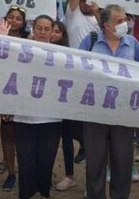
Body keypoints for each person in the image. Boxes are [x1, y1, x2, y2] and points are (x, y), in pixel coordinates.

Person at [79, 4, 139, 199]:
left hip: (124, 114)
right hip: (95, 112)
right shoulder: (90, 41)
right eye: (119, 21)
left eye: (125, 19)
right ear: (106, 25)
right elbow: (76, 68)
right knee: (95, 162)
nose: (125, 24)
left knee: (123, 161)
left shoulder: (132, 43)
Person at [11, 14, 62, 199]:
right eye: (39, 28)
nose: (42, 32)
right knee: (25, 161)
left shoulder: (62, 55)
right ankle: (25, 193)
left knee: (46, 160)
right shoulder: (20, 50)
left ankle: (44, 192)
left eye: (47, 28)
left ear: (53, 31)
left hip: (51, 117)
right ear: (33, 28)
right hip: (24, 116)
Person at [64, 0, 100, 164]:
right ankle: (83, 144)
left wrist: (98, 11)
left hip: (97, 74)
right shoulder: (73, 15)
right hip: (74, 71)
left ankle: (90, 145)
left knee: (93, 114)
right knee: (75, 115)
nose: (85, 1)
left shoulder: (101, 20)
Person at [0, 5, 31, 192]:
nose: (14, 21)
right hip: (5, 92)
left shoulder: (31, 40)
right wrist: (1, 38)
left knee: (24, 134)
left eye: (18, 18)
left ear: (23, 23)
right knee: (7, 134)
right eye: (11, 17)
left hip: (25, 93)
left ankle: (27, 171)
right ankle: (11, 173)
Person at [50, 21, 77, 191]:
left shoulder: (68, 55)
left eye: (57, 31)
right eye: (50, 30)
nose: (52, 34)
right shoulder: (36, 49)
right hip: (45, 103)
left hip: (62, 103)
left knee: (66, 140)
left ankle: (69, 176)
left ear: (62, 35)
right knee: (49, 141)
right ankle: (44, 174)